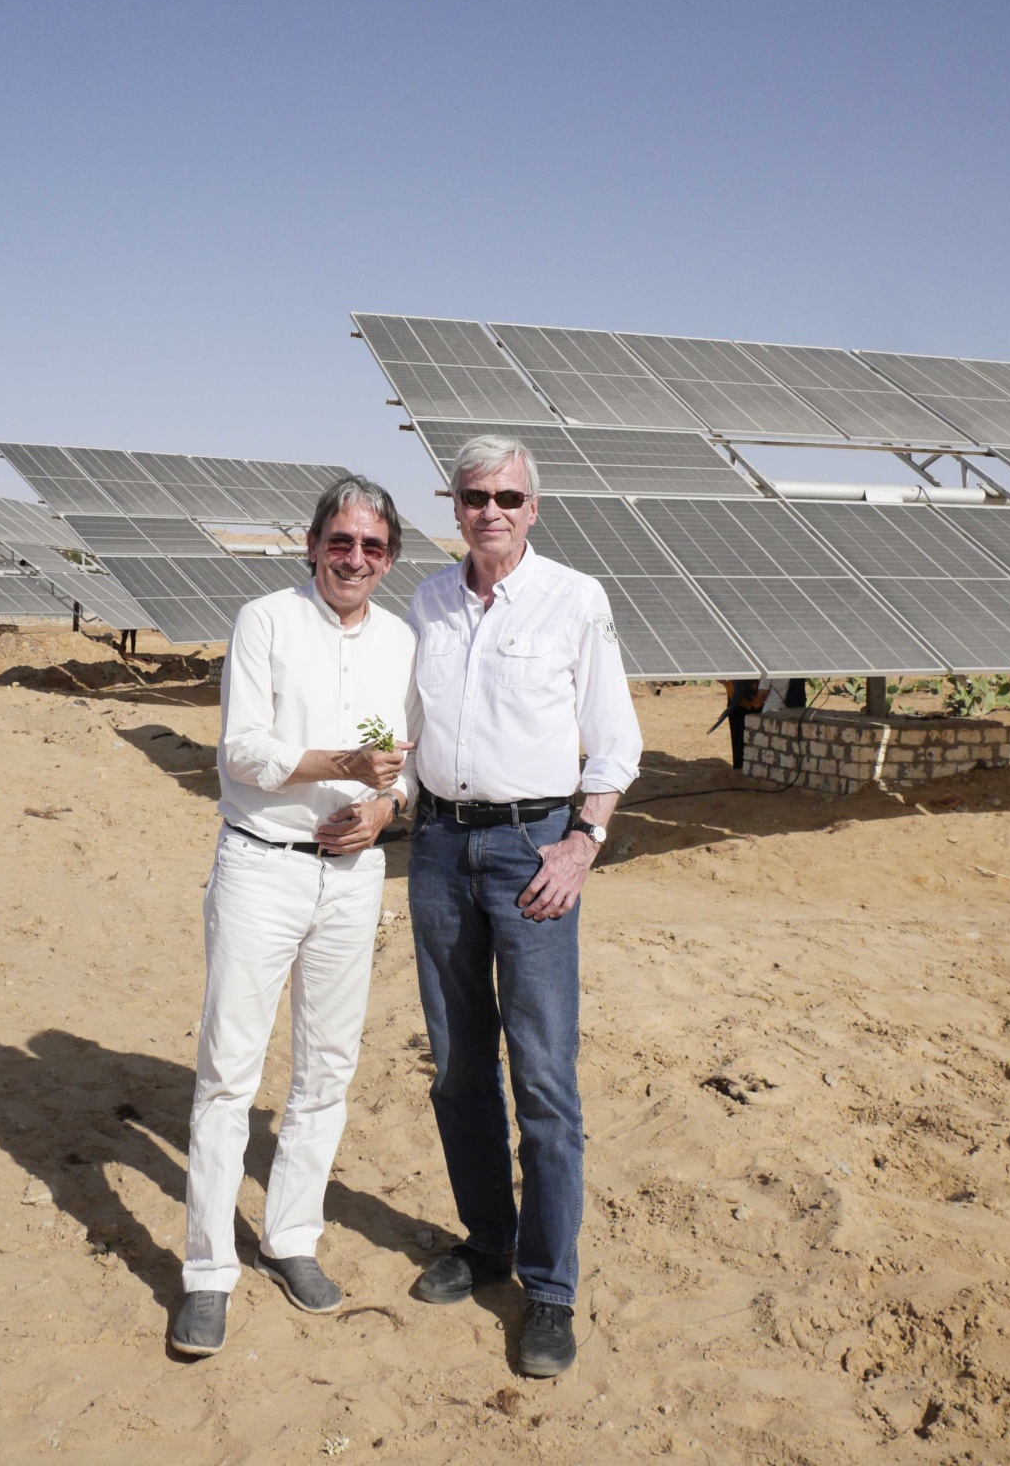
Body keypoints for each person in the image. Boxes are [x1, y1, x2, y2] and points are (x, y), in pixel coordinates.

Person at [405, 435, 642, 1378]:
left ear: (532, 508)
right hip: (436, 847)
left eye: (508, 495)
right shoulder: (426, 599)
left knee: (543, 1078)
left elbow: (614, 739)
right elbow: (403, 721)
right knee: (460, 1066)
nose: (490, 510)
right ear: (453, 505)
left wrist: (583, 841)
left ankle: (549, 1287)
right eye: (474, 496)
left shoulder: (575, 598)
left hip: (532, 850)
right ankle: (488, 1239)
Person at [172, 475, 420, 1358]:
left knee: (327, 1067)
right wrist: (337, 764)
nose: (356, 559)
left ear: (389, 559)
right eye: (342, 542)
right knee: (229, 1072)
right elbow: (240, 749)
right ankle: (207, 1272)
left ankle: (292, 1237)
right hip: (262, 869)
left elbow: (406, 760)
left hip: (353, 878)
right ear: (314, 545)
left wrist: (385, 810)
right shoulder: (265, 621)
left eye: (374, 547)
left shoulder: (400, 640)